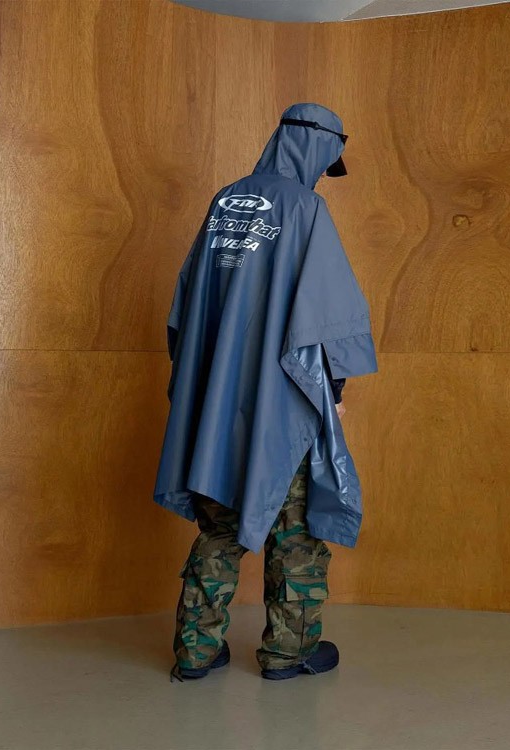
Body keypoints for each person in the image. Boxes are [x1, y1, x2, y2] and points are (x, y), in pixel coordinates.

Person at [153, 102, 378, 682]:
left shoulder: (224, 200)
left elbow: (186, 304)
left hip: (218, 400)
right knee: (295, 525)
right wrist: (333, 388)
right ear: (318, 147)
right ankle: (288, 652)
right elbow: (327, 313)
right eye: (328, 161)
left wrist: (206, 384)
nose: (325, 173)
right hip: (281, 398)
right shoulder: (306, 208)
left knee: (221, 521)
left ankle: (195, 652)